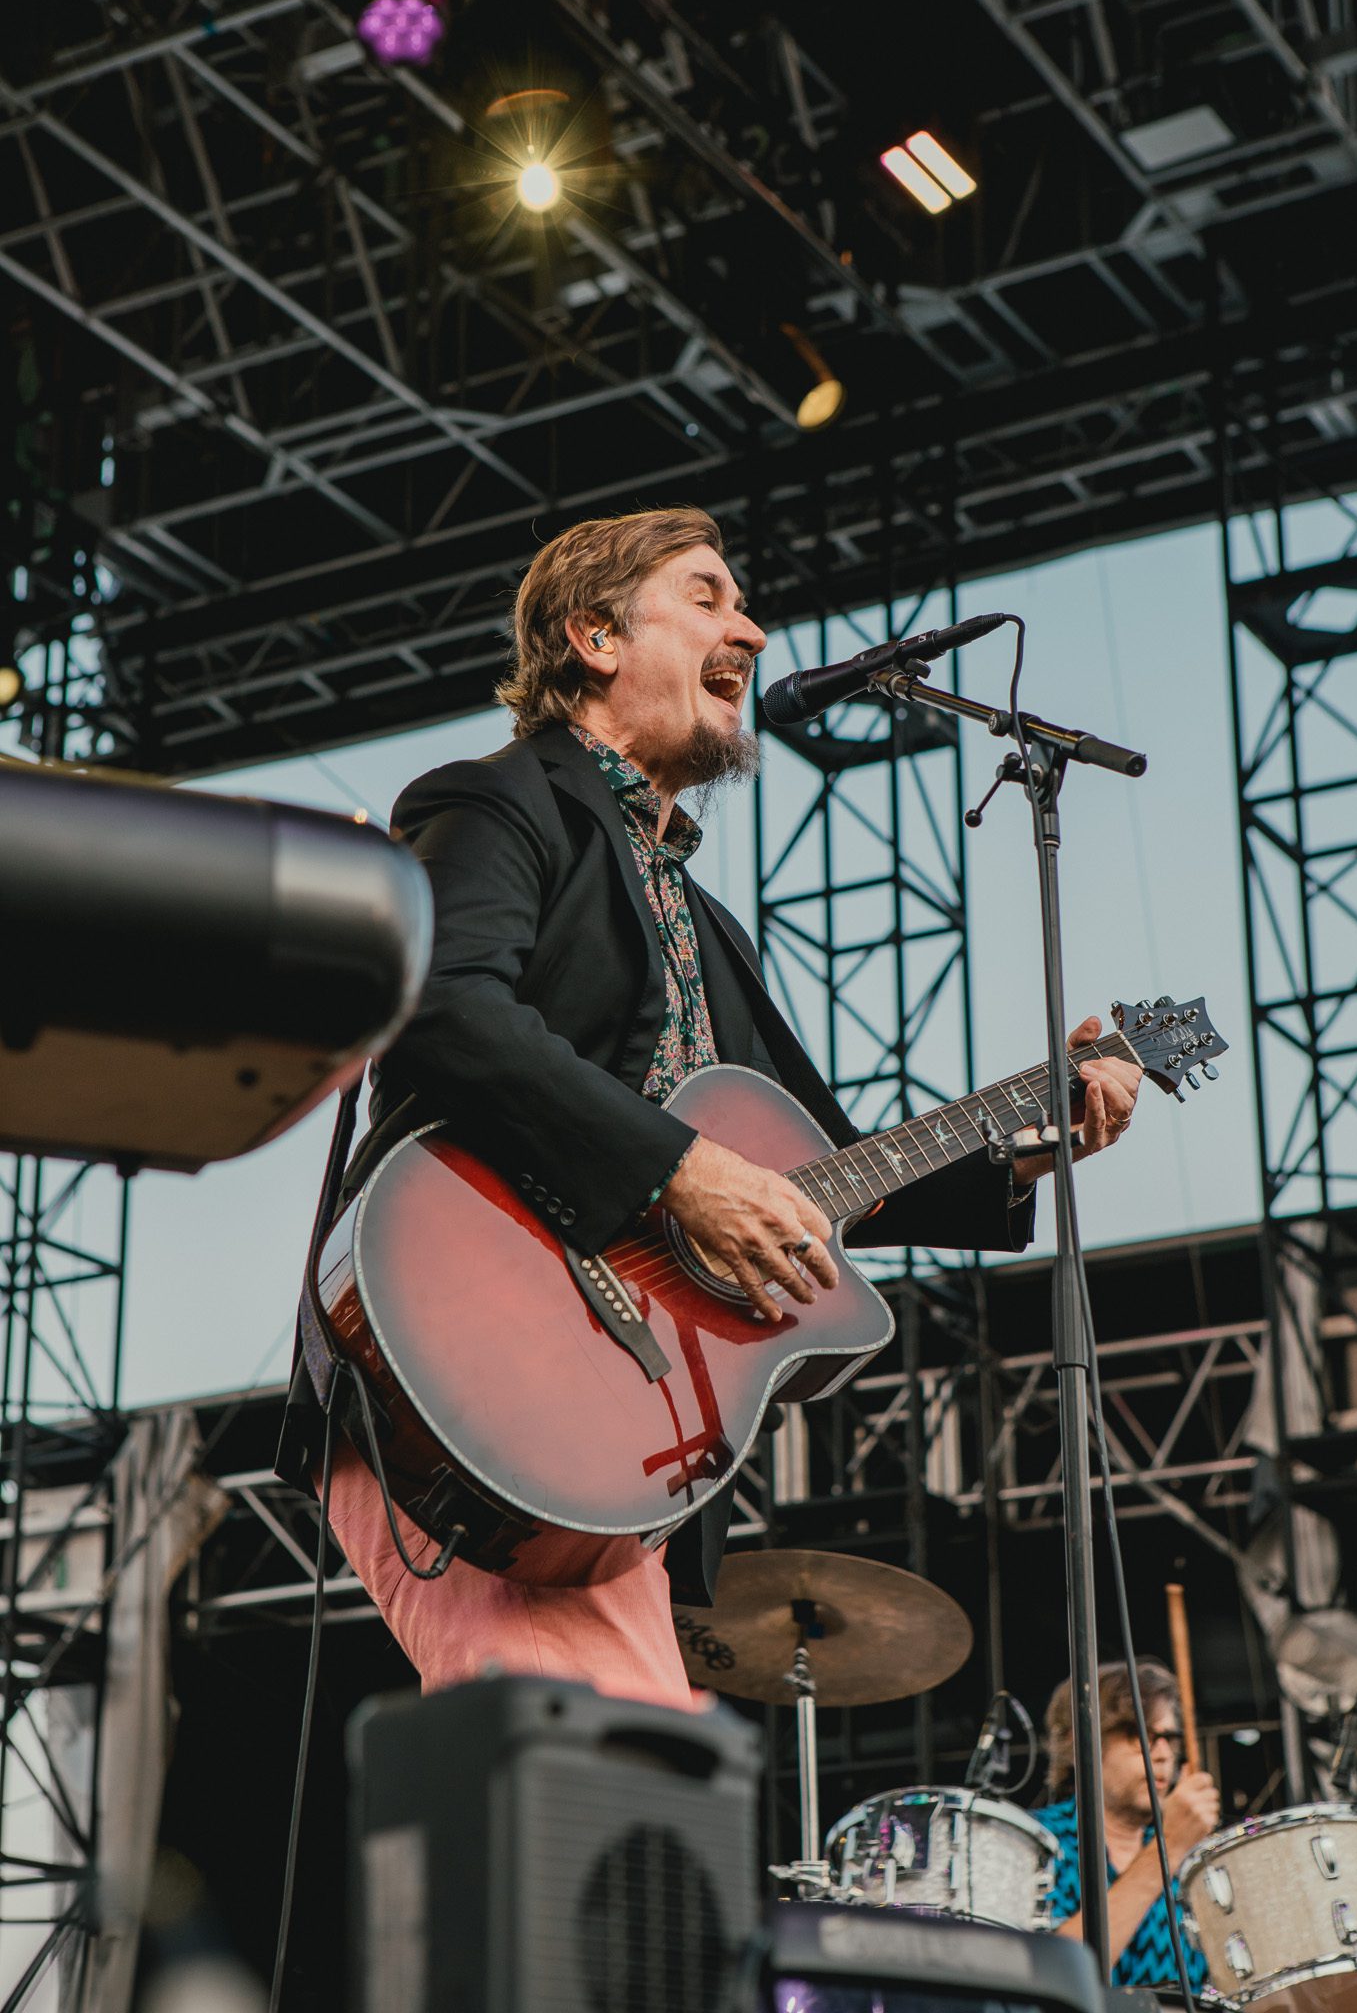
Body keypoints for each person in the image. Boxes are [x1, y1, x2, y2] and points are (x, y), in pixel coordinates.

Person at [277, 506, 1144, 1711]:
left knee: (615, 1809)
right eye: (706, 595)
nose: (750, 624)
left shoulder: (703, 924)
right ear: (591, 635)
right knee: (588, 1797)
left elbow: (827, 1174)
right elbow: (438, 1005)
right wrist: (677, 1171)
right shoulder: (496, 803)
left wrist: (1034, 1143)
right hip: (468, 1361)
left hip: (601, 1432)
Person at [1037, 1658, 1220, 1990]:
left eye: (1170, 1738)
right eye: (1142, 1736)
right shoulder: (1039, 1842)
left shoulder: (1195, 1863)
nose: (1164, 1754)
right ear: (1081, 1745)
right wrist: (1169, 1845)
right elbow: (1053, 1973)